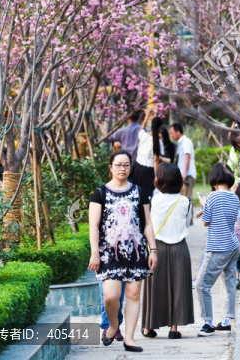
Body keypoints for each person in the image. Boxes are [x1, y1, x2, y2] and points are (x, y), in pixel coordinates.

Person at [89, 150, 157, 353]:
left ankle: (129, 339)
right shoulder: (100, 193)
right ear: (110, 167)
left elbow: (147, 224)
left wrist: (153, 249)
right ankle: (112, 326)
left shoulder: (140, 192)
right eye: (118, 165)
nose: (122, 168)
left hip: (136, 252)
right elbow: (93, 226)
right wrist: (95, 252)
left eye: (126, 165)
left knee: (134, 293)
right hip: (109, 254)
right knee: (110, 297)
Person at [141, 163, 194, 339]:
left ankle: (148, 328)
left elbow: (148, 225)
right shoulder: (185, 201)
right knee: (179, 287)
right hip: (180, 248)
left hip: (157, 247)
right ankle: (174, 328)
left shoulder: (153, 200)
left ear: (160, 180)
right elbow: (187, 224)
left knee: (154, 287)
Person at [195, 164, 240, 336]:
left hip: (218, 247)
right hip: (233, 245)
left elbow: (207, 223)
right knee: (228, 283)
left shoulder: (212, 197)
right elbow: (223, 217)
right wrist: (205, 209)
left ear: (214, 180)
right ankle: (227, 321)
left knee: (201, 285)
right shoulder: (235, 197)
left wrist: (204, 204)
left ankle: (208, 323)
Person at [170, 124, 196, 202]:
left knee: (186, 199)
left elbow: (187, 157)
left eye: (172, 133)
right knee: (183, 198)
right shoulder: (180, 143)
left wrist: (184, 174)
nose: (171, 135)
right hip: (183, 175)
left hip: (187, 175)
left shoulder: (185, 141)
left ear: (178, 132)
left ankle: (189, 215)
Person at [132, 121, 156, 197]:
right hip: (149, 170)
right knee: (147, 194)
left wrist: (146, 116)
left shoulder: (143, 136)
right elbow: (156, 160)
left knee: (137, 192)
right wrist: (156, 175)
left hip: (138, 167)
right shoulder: (157, 142)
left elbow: (142, 128)